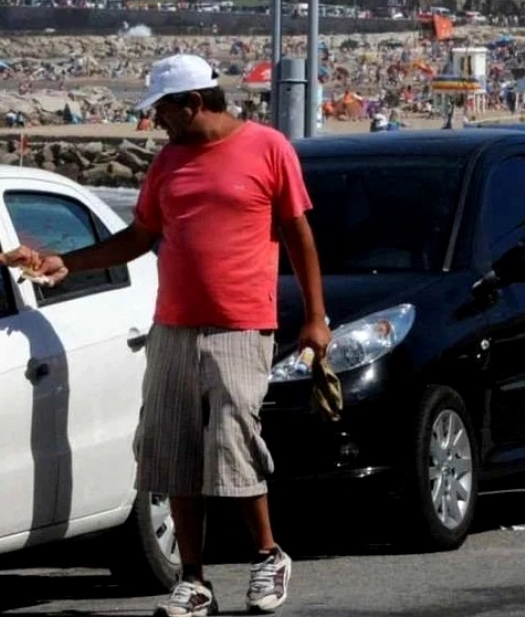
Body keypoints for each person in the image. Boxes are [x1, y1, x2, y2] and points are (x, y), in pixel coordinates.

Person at [31, 54, 331, 617]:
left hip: (242, 323)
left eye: (164, 109)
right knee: (172, 451)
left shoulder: (268, 148)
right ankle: (194, 580)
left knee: (232, 441)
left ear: (194, 102)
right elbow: (139, 236)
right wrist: (67, 262)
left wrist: (316, 316)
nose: (158, 122)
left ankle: (267, 555)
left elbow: (298, 234)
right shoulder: (168, 163)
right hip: (173, 325)